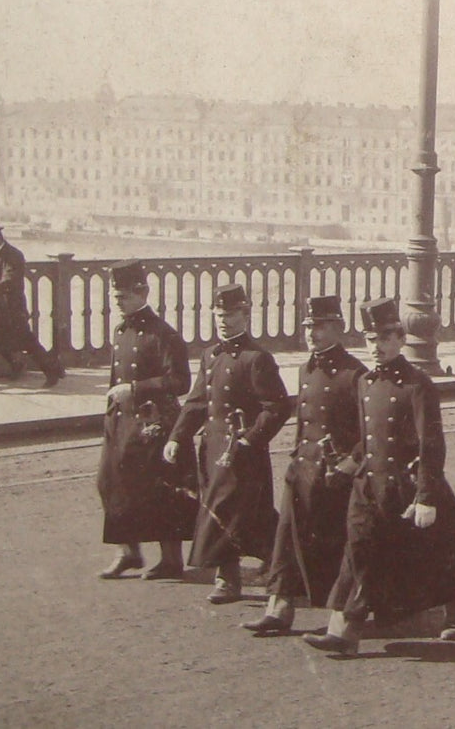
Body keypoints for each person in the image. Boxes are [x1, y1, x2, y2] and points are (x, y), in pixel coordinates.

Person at [304, 298, 455, 655]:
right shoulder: (365, 382)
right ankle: (344, 634)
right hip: (368, 487)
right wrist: (348, 467)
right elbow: (367, 441)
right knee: (357, 553)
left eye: (384, 338)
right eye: (370, 339)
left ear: (400, 338)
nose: (376, 347)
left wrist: (426, 498)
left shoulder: (418, 386)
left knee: (434, 554)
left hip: (407, 488)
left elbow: (431, 446)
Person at [242, 295, 367, 635]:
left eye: (321, 327)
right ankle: (279, 608)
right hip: (302, 470)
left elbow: (370, 435)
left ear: (339, 328)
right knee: (287, 540)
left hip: (334, 477)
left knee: (335, 544)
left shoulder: (356, 375)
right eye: (309, 327)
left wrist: (348, 464)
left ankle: (344, 615)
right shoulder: (305, 369)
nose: (312, 333)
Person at [164, 284, 290, 604]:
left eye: (231, 315)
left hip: (243, 452)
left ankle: (228, 578)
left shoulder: (257, 358)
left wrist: (252, 438)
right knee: (242, 513)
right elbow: (196, 403)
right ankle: (283, 561)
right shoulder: (210, 355)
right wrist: (177, 437)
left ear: (246, 315)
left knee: (231, 512)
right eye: (219, 315)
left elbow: (276, 407)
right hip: (213, 449)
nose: (223, 321)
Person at [94, 260, 198, 580]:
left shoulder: (163, 334)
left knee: (162, 489)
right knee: (110, 482)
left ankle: (171, 559)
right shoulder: (120, 330)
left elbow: (180, 382)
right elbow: (117, 376)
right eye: (115, 297)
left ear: (143, 292)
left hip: (154, 423)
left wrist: (135, 390)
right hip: (122, 420)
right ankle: (129, 552)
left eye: (124, 296)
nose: (118, 303)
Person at [0, 219, 64, 392]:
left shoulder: (14, 255)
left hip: (11, 311)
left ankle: (52, 370)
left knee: (28, 342)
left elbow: (7, 283)